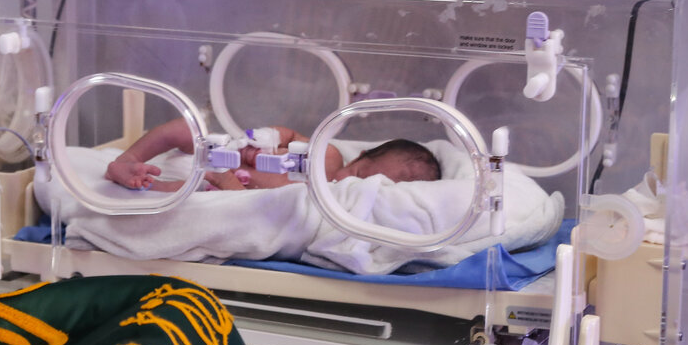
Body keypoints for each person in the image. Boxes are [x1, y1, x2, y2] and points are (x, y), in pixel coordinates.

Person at [104, 118, 441, 192]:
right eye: (359, 175)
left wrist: (227, 181)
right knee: (184, 128)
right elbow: (291, 135)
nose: (346, 183)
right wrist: (268, 140)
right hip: (227, 152)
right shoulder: (329, 156)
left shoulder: (323, 202)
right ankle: (127, 159)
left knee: (198, 194)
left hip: (228, 184)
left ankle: (141, 183)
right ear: (359, 156)